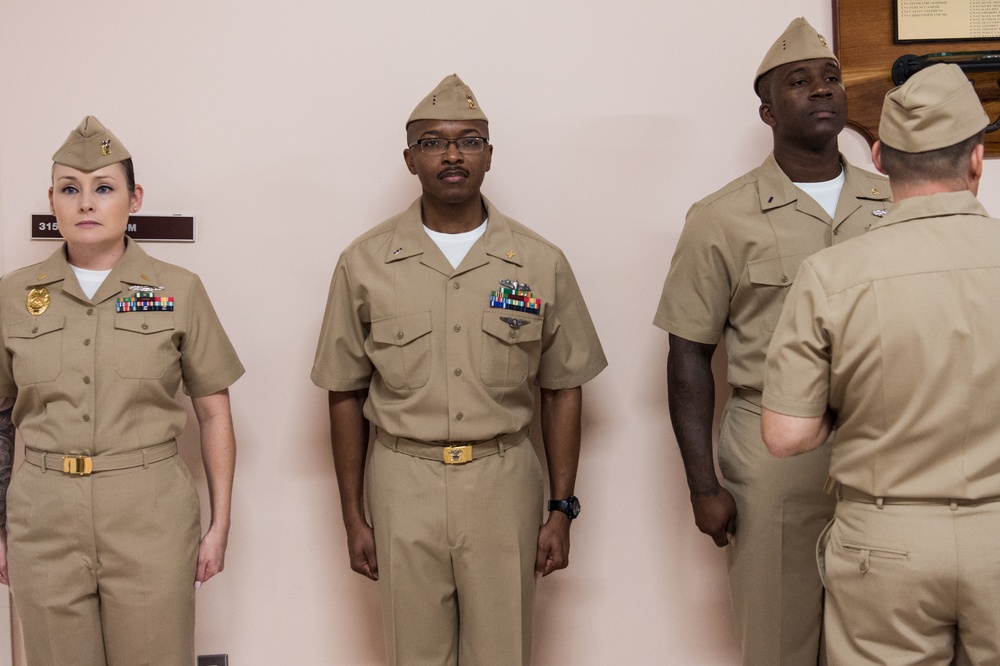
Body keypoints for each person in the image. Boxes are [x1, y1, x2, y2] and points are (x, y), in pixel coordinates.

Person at [311, 74, 606, 665]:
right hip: (402, 480)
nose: (451, 154)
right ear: (410, 158)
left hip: (503, 481)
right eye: (432, 142)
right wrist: (353, 517)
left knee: (503, 654)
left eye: (469, 140)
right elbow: (344, 391)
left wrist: (561, 507)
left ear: (489, 156)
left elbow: (563, 387)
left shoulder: (540, 262)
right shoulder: (364, 263)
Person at [652, 17, 891, 665]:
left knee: (885, 640)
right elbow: (688, 356)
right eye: (799, 82)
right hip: (772, 453)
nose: (821, 90)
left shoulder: (893, 203)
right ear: (766, 109)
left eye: (831, 78)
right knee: (780, 640)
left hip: (887, 447)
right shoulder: (722, 217)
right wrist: (704, 484)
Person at [761, 63, 997, 665]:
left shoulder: (831, 274)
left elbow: (785, 435)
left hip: (886, 544)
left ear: (879, 157)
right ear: (976, 160)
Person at [0, 116, 244, 665]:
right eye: (71, 189)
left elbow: (213, 413)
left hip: (149, 514)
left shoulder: (177, 291)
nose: (87, 203)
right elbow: (0, 414)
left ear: (133, 199)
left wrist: (220, 523)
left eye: (103, 188)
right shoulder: (13, 297)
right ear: (52, 200)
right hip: (43, 517)